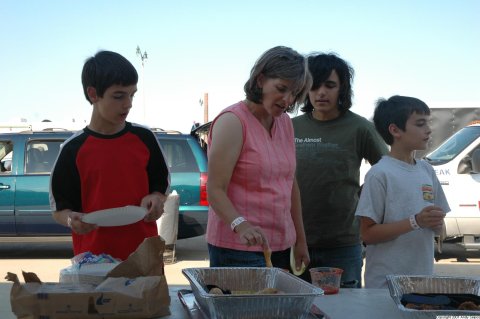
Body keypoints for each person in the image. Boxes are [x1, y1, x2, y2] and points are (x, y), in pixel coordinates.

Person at [49, 50, 170, 261]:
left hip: (144, 257)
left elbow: (161, 188)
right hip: (93, 261)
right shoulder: (73, 149)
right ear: (93, 94)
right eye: (119, 96)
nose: (128, 104)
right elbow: (60, 210)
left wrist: (157, 199)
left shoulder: (145, 138)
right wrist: (71, 220)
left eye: (132, 94)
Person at [206, 46, 311, 271]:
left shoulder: (285, 123)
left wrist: (300, 240)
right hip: (237, 249)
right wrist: (240, 225)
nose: (288, 100)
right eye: (282, 88)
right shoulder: (233, 121)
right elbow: (215, 189)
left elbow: (290, 185)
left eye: (294, 93)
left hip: (282, 245)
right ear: (260, 80)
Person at [292, 53, 388, 287]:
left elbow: (387, 172)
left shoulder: (360, 128)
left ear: (342, 88)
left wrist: (364, 199)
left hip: (343, 244)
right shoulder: (289, 127)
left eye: (330, 85)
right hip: (293, 241)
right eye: (314, 86)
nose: (321, 92)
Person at [355, 95, 450, 288]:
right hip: (386, 285)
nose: (428, 130)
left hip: (423, 282)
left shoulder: (426, 170)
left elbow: (438, 226)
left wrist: (437, 224)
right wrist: (416, 221)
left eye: (428, 123)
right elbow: (367, 234)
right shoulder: (380, 174)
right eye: (420, 124)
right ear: (395, 130)